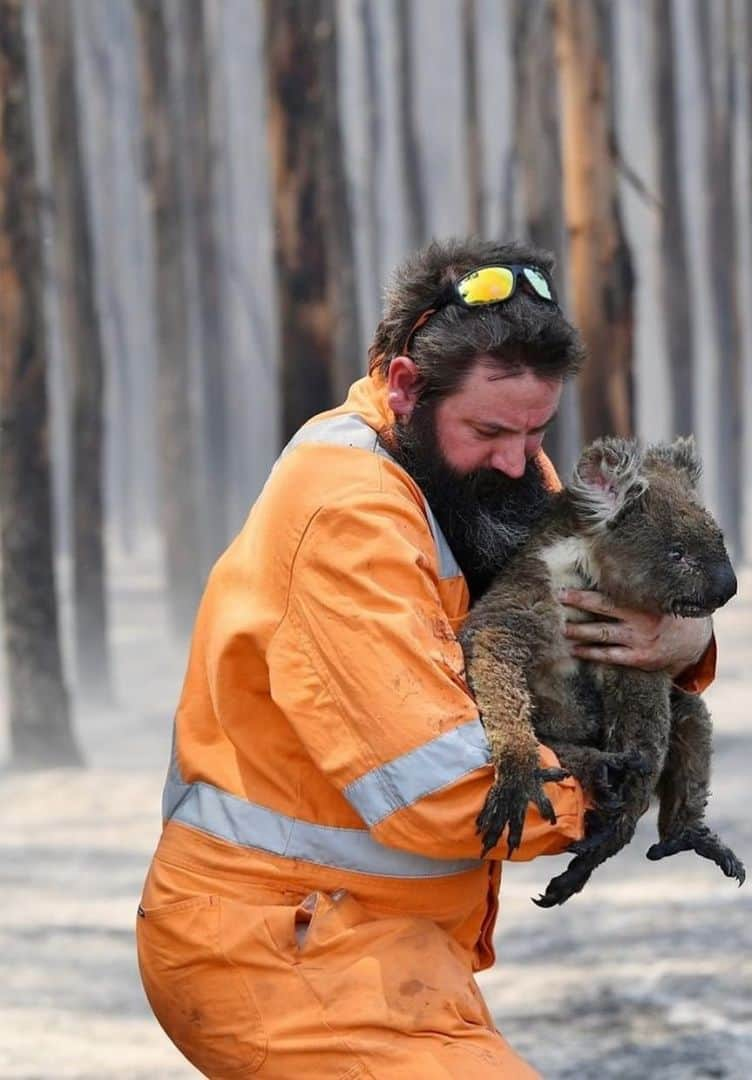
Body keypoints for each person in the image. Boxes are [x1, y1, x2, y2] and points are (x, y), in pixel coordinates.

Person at [136, 238, 717, 1078]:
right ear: (407, 387)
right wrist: (619, 788)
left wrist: (687, 643)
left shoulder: (480, 467)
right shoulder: (349, 515)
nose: (523, 460)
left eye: (538, 430)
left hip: (382, 945)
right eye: (491, 430)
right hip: (280, 949)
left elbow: (603, 597)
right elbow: (443, 788)